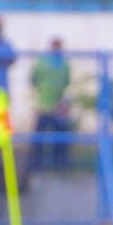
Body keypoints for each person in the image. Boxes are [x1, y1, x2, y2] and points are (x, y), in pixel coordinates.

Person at [29, 37, 71, 170]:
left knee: (59, 136)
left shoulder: (64, 63)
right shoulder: (42, 62)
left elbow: (66, 82)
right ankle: (37, 164)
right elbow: (33, 79)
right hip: (43, 104)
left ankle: (58, 164)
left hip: (58, 105)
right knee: (40, 135)